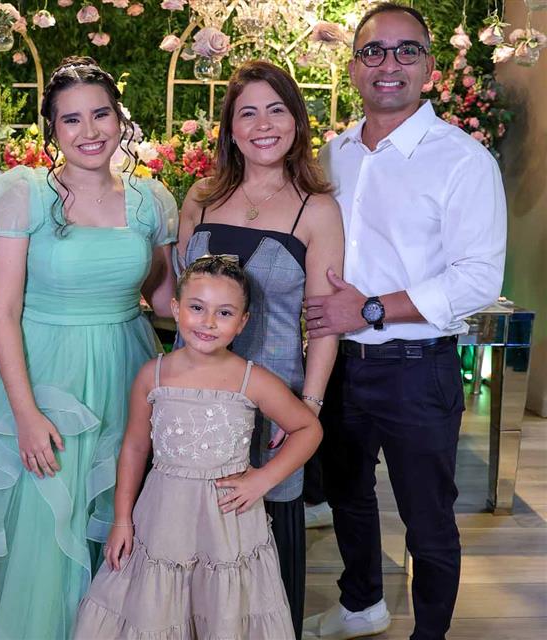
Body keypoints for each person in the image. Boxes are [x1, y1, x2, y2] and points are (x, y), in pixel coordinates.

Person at [0, 56, 177, 639]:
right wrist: (25, 414)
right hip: (47, 375)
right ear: (52, 129)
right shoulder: (22, 194)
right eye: (71, 119)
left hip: (128, 367)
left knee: (122, 518)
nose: (89, 131)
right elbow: (2, 311)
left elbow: (166, 300)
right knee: (51, 525)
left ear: (121, 119)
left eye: (101, 114)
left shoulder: (151, 200)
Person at [303, 4, 507, 640]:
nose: (388, 64)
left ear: (429, 67)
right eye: (373, 51)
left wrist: (369, 308)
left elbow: (478, 278)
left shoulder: (462, 160)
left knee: (428, 520)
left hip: (418, 369)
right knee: (347, 495)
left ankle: (430, 634)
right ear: (354, 66)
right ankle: (362, 604)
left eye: (406, 50)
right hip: (340, 366)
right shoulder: (332, 154)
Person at [175, 60, 344, 637]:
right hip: (196, 401)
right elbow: (180, 299)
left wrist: (308, 407)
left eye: (276, 109)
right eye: (248, 112)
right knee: (194, 539)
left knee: (268, 543)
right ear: (230, 127)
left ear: (297, 120)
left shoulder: (316, 208)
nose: (263, 124)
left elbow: (324, 323)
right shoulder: (201, 198)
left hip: (272, 404)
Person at [74, 255, 322, 639]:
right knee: (156, 609)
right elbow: (135, 448)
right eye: (197, 308)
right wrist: (122, 518)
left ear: (242, 322)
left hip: (227, 525)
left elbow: (308, 428)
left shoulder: (252, 380)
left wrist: (262, 479)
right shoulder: (153, 375)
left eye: (224, 313)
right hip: (163, 518)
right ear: (176, 309)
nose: (208, 322)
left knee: (221, 611)